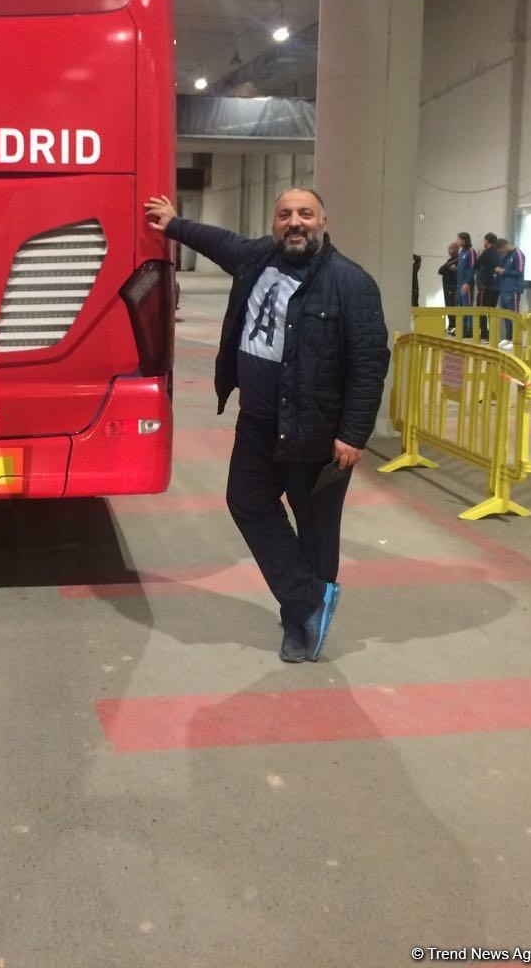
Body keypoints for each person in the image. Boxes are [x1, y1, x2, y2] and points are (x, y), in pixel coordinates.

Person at [144, 188, 390, 664]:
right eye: (284, 214)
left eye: (304, 214)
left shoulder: (351, 283)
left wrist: (354, 434)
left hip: (316, 433)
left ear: (323, 220)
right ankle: (307, 599)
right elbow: (217, 241)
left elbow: (369, 364)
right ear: (274, 222)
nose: (294, 222)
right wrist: (175, 223)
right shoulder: (259, 257)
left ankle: (300, 627)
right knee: (247, 502)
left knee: (316, 530)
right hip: (257, 423)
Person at [495, 238, 526, 347]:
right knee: (506, 315)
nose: (502, 253)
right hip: (504, 289)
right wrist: (499, 269)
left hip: (513, 289)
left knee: (514, 315)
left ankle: (516, 340)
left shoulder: (518, 254)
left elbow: (520, 271)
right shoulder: (506, 256)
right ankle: (508, 338)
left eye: (501, 251)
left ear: (504, 246)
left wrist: (505, 271)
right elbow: (503, 269)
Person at [475, 232, 502, 342]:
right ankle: (493, 335)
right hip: (497, 287)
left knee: (481, 310)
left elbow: (476, 265)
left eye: (484, 241)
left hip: (486, 287)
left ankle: (485, 335)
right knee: (492, 311)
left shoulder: (487, 253)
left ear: (487, 241)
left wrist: (481, 253)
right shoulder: (500, 253)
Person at [455, 231, 478, 338]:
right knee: (461, 307)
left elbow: (473, 268)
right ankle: (463, 327)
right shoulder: (461, 252)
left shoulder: (471, 252)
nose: (457, 241)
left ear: (464, 240)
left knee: (467, 306)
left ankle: (469, 329)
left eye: (459, 239)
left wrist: (468, 282)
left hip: (466, 284)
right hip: (459, 283)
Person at [438, 240, 459, 334]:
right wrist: (448, 266)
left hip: (453, 287)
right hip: (447, 288)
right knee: (448, 306)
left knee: (453, 307)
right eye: (448, 248)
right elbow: (440, 270)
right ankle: (451, 325)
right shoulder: (450, 261)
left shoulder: (458, 260)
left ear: (457, 249)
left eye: (451, 247)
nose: (449, 249)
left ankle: (454, 326)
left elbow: (445, 270)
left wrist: (447, 267)